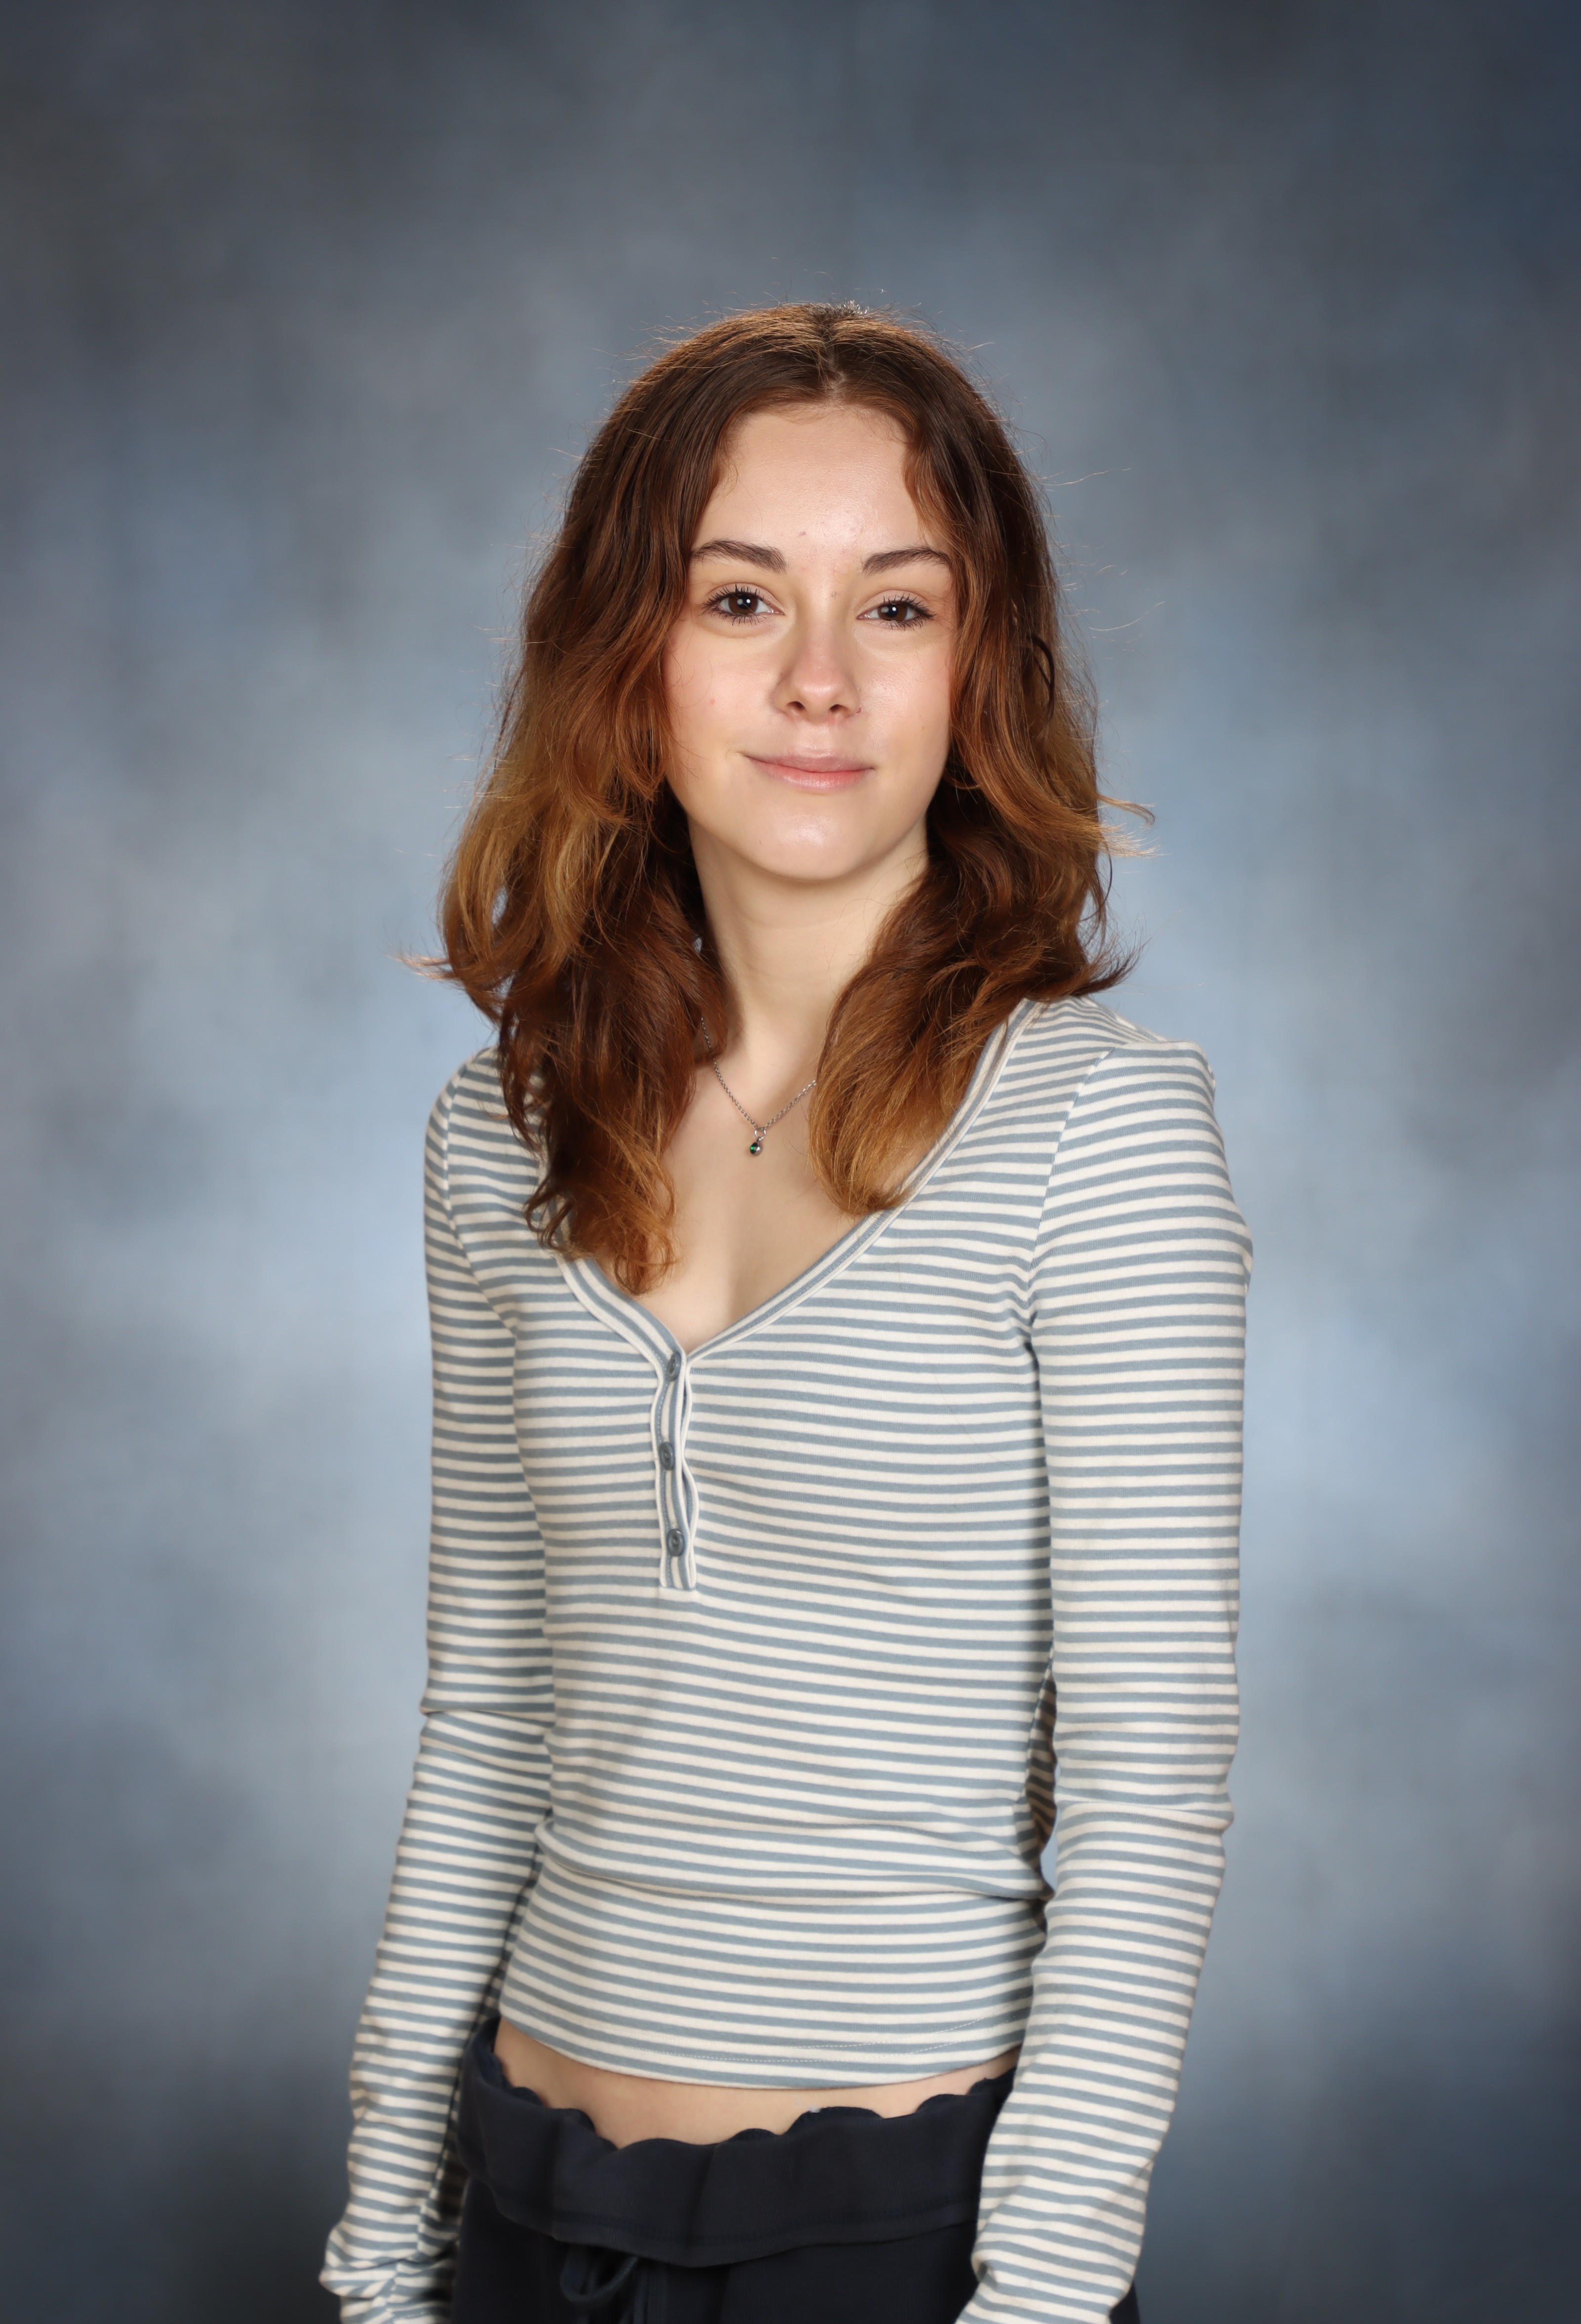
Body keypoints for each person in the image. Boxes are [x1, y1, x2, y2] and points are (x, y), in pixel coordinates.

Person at [321, 303, 1249, 2324]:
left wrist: (1038, 2299)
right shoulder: (496, 1141)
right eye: (739, 597)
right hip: (524, 2197)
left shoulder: (1099, 1137)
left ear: (974, 673)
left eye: (896, 608)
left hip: (902, 2233)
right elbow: (487, 1727)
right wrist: (386, 2245)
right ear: (627, 661)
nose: (820, 677)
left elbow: (1147, 1788)